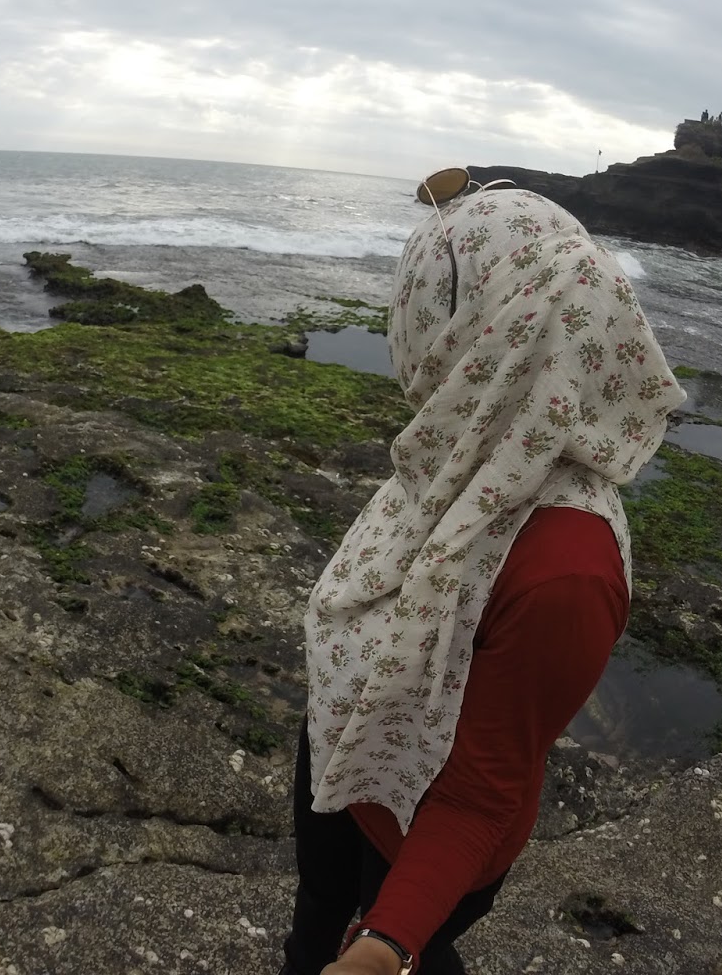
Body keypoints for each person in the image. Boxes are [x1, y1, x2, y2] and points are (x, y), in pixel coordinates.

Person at [281, 183, 684, 975]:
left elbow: (479, 794)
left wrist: (386, 944)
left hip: (424, 842)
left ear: (486, 340)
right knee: (311, 923)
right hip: (340, 756)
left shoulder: (567, 569)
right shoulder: (468, 454)